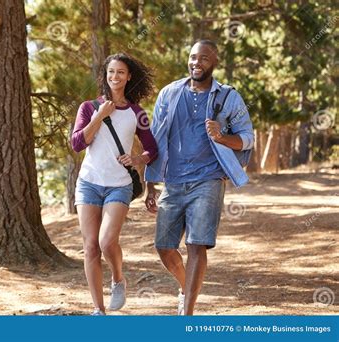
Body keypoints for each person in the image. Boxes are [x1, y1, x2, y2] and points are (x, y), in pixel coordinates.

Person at [144, 40, 254, 315]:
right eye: (193, 57)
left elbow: (248, 139)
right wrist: (150, 183)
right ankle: (186, 289)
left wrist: (221, 136)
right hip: (173, 181)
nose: (197, 63)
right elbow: (156, 139)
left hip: (209, 179)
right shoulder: (169, 93)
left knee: (196, 243)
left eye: (204, 58)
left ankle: (187, 313)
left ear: (214, 61)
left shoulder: (228, 97)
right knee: (164, 247)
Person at [71, 53, 158, 315]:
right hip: (88, 184)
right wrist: (99, 116)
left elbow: (152, 149)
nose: (115, 77)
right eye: (111, 72)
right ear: (105, 75)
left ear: (129, 76)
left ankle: (118, 279)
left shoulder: (136, 112)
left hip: (119, 184)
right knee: (90, 247)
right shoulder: (88, 107)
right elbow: (77, 144)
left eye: (120, 72)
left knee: (107, 242)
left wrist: (136, 158)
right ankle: (99, 310)